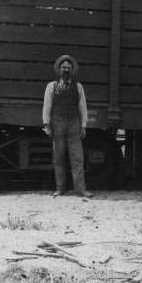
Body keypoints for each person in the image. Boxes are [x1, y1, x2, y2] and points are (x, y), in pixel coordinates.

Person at [42, 54, 92, 198]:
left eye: (69, 68)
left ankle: (80, 190)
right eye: (64, 67)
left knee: (77, 158)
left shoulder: (79, 87)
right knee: (59, 158)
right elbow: (47, 106)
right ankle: (60, 188)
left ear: (72, 70)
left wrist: (83, 125)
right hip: (57, 124)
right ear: (59, 69)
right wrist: (47, 125)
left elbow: (83, 107)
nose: (66, 70)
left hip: (74, 124)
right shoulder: (51, 86)